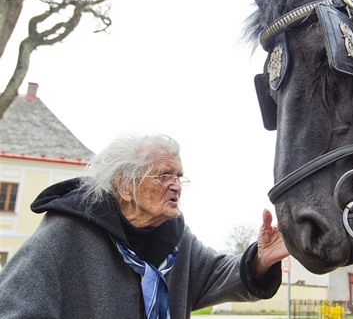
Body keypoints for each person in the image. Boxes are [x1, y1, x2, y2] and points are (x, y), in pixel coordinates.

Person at [0, 133, 289, 318]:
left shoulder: (176, 238)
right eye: (164, 176)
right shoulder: (64, 235)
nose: (176, 186)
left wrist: (261, 259)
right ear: (126, 186)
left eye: (179, 177)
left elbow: (215, 273)